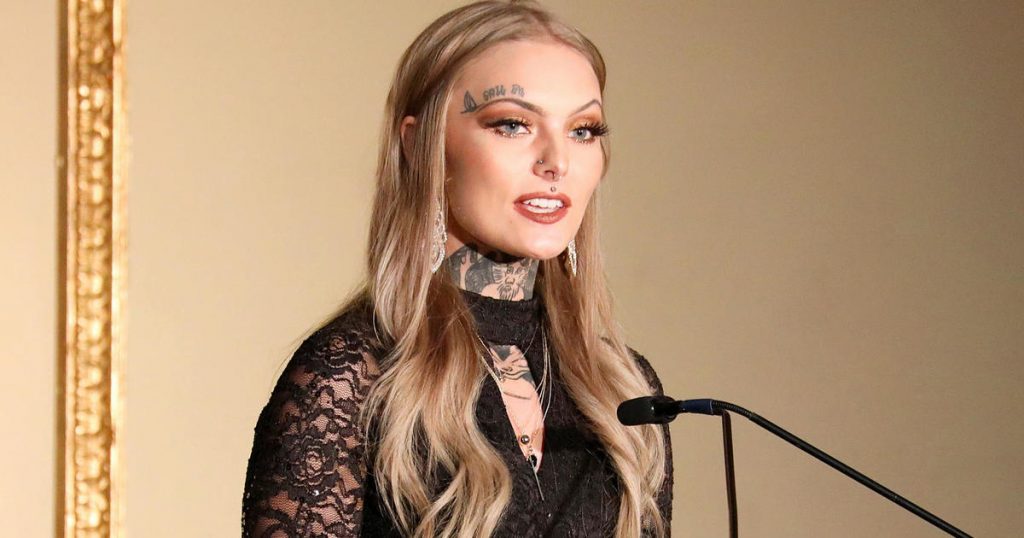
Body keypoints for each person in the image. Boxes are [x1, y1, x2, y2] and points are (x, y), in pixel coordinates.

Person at [241, 1, 672, 536]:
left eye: (583, 130)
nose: (557, 161)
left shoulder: (623, 391)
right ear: (420, 143)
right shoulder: (352, 376)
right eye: (513, 124)